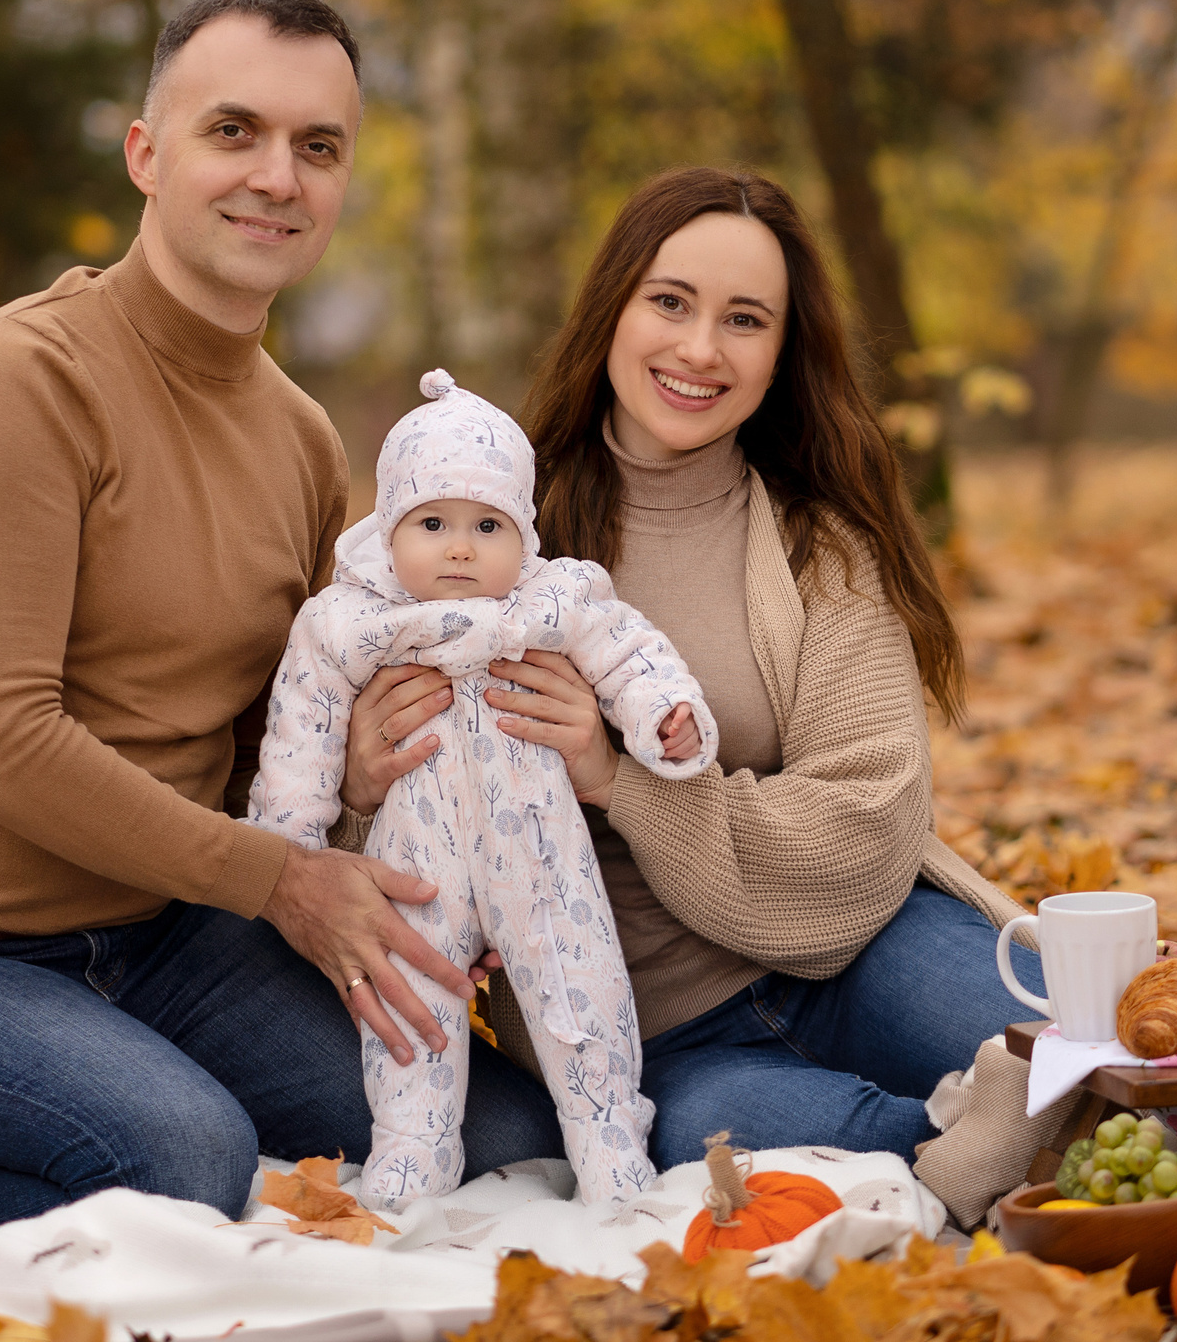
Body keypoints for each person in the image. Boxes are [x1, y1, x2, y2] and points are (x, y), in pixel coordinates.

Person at [0, 0, 562, 1251]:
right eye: (232, 131)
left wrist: (370, 804)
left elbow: (263, 735)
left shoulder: (301, 439)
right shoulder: (17, 383)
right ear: (146, 154)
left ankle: (96, 1089)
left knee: (496, 1129)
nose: (276, 178)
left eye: (317, 147)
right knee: (180, 1160)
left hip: (159, 935)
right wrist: (283, 884)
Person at [333, 166, 1045, 1201]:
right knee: (739, 1149)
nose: (700, 348)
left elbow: (867, 822)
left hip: (863, 951)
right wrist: (361, 785)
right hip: (659, 1037)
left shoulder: (818, 545)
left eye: (744, 319)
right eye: (670, 302)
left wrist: (618, 779)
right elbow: (381, 826)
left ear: (781, 353)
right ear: (613, 310)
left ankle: (1058, 1131)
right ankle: (962, 1146)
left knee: (1083, 1059)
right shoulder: (479, 526)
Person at [248, 368, 715, 1209]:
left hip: (541, 855)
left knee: (582, 990)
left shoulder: (553, 598)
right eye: (433, 523)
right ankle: (412, 1147)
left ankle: (609, 1142)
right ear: (389, 530)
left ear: (523, 535)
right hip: (414, 869)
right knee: (408, 999)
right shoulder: (350, 620)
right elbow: (299, 727)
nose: (460, 548)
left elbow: (629, 651)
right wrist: (290, 843)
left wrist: (665, 715)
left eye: (487, 525)